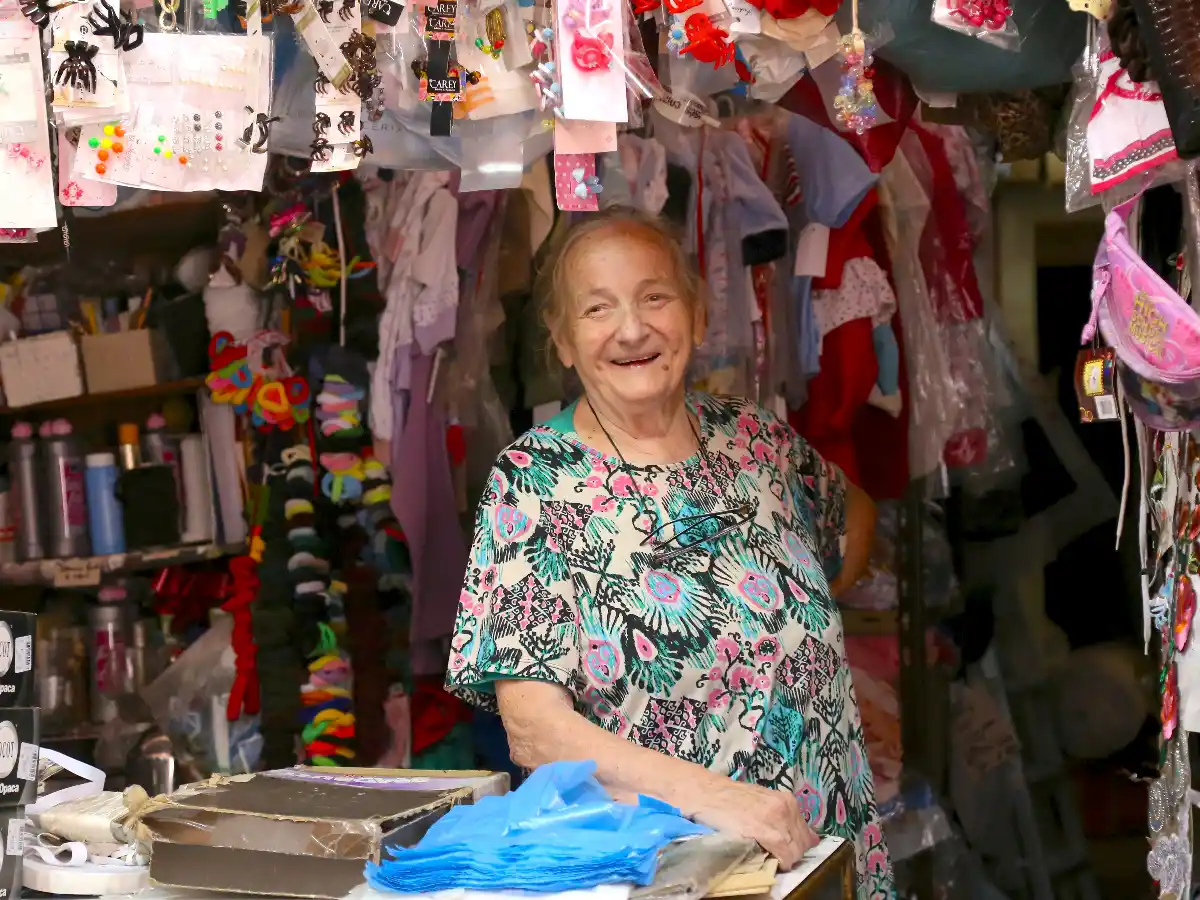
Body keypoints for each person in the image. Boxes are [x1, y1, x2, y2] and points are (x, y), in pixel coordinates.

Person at [446, 208, 894, 900]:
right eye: (598, 309)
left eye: (654, 296)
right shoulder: (534, 482)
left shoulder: (755, 440)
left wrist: (791, 632)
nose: (632, 329)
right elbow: (534, 730)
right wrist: (719, 797)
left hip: (833, 854)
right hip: (686, 873)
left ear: (698, 312)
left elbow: (851, 514)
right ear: (563, 341)